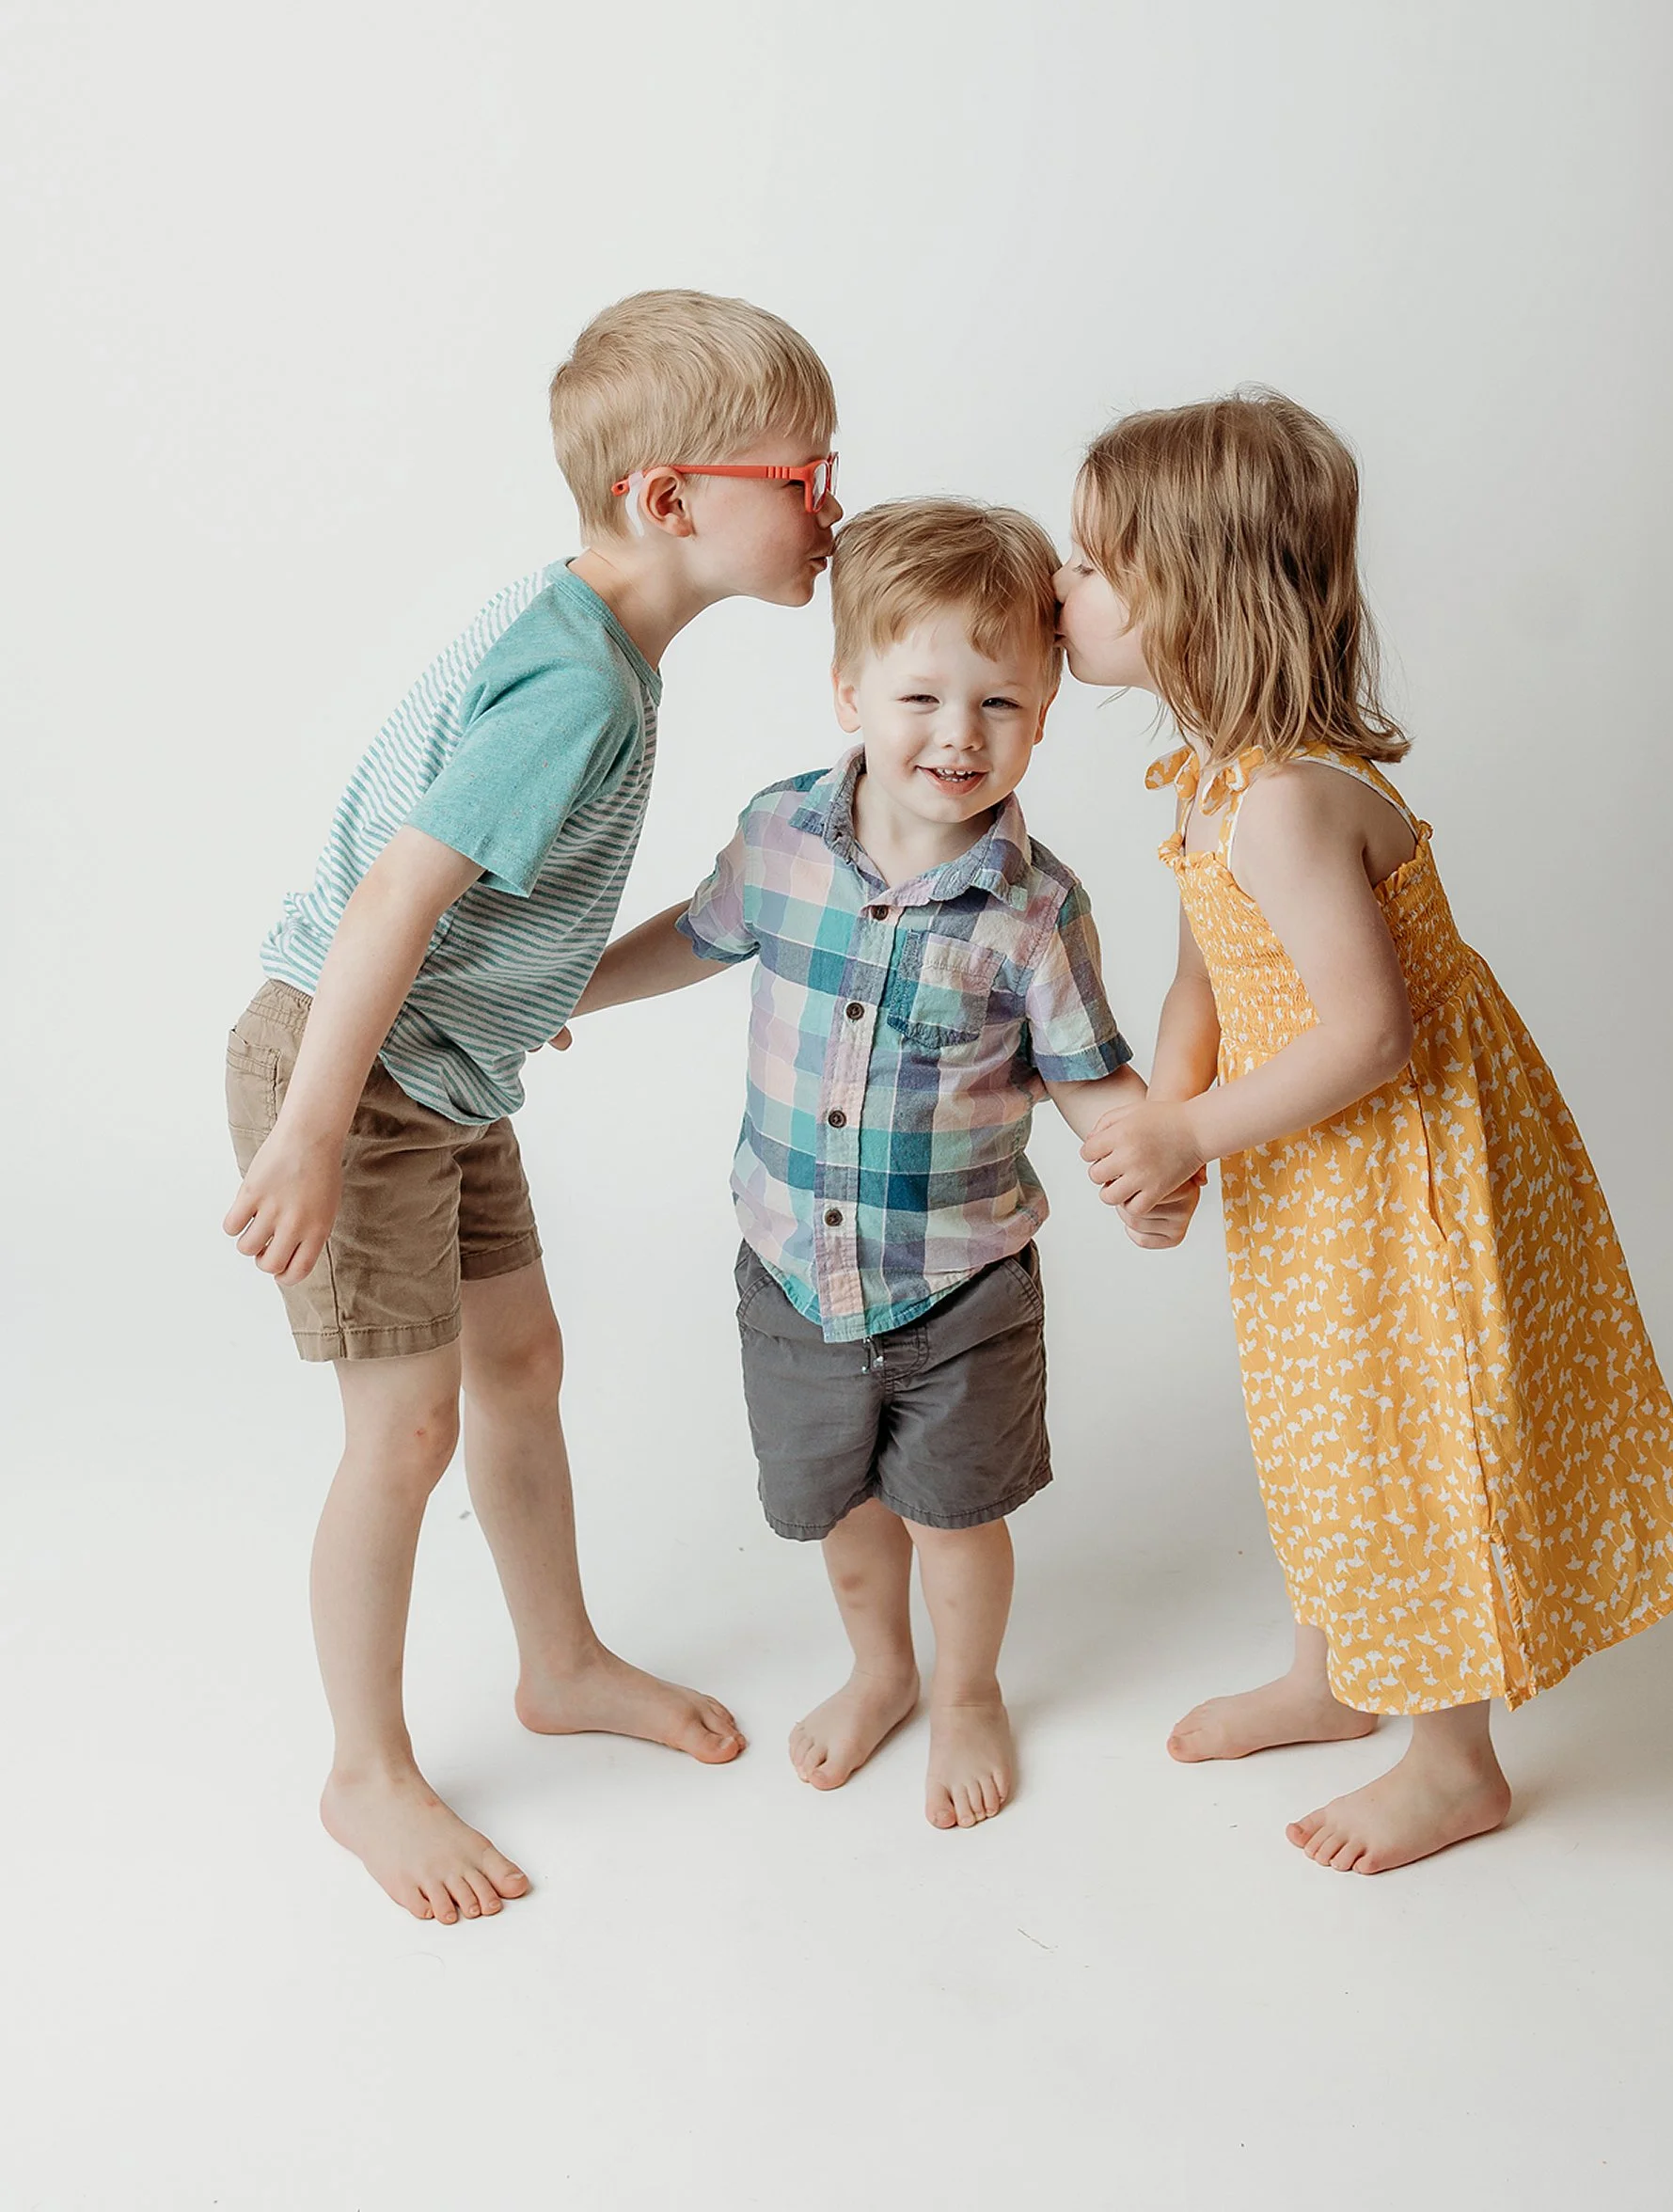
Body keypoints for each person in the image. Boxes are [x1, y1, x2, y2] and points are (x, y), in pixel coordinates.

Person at [222, 289, 842, 1923]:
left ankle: (558, 1661)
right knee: (402, 1429)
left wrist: (534, 998)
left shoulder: (599, 644)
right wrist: (306, 1127)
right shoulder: (575, 681)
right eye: (804, 473)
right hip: (357, 1081)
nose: (829, 506)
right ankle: (364, 1771)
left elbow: (495, 909)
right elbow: (393, 906)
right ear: (672, 500)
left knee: (523, 1364)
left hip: (445, 1075)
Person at [1058, 390, 1673, 1874]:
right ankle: (1333, 1673)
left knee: (1410, 1434)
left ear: (1199, 596)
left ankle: (1454, 1761)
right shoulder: (1211, 779)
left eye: (1094, 564)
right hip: (1313, 1157)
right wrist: (1173, 1125)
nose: (1060, 590)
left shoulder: (1290, 804)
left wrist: (1196, 1137)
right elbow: (1199, 980)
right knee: (1321, 1419)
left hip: (1403, 1165)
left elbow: (1370, 1032)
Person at [560, 498, 1192, 1828]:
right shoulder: (781, 836)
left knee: (956, 1520)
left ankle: (968, 1692)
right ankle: (881, 1669)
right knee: (841, 1511)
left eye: (1000, 705)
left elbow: (1089, 1078)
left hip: (962, 1285)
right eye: (920, 696)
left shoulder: (1036, 910)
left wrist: (1151, 1166)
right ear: (848, 688)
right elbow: (701, 933)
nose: (959, 737)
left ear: (1043, 714)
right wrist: (582, 986)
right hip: (792, 1270)